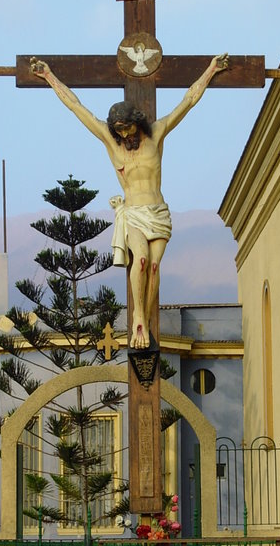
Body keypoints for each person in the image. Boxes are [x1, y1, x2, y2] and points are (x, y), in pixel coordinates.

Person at [30, 54, 229, 349]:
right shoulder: (112, 144)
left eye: (128, 129)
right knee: (142, 260)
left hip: (158, 213)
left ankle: (145, 320)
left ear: (137, 123)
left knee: (154, 269)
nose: (124, 135)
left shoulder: (157, 134)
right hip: (133, 213)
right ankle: (138, 318)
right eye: (119, 130)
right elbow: (77, 107)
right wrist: (48, 77)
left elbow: (187, 101)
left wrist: (211, 70)